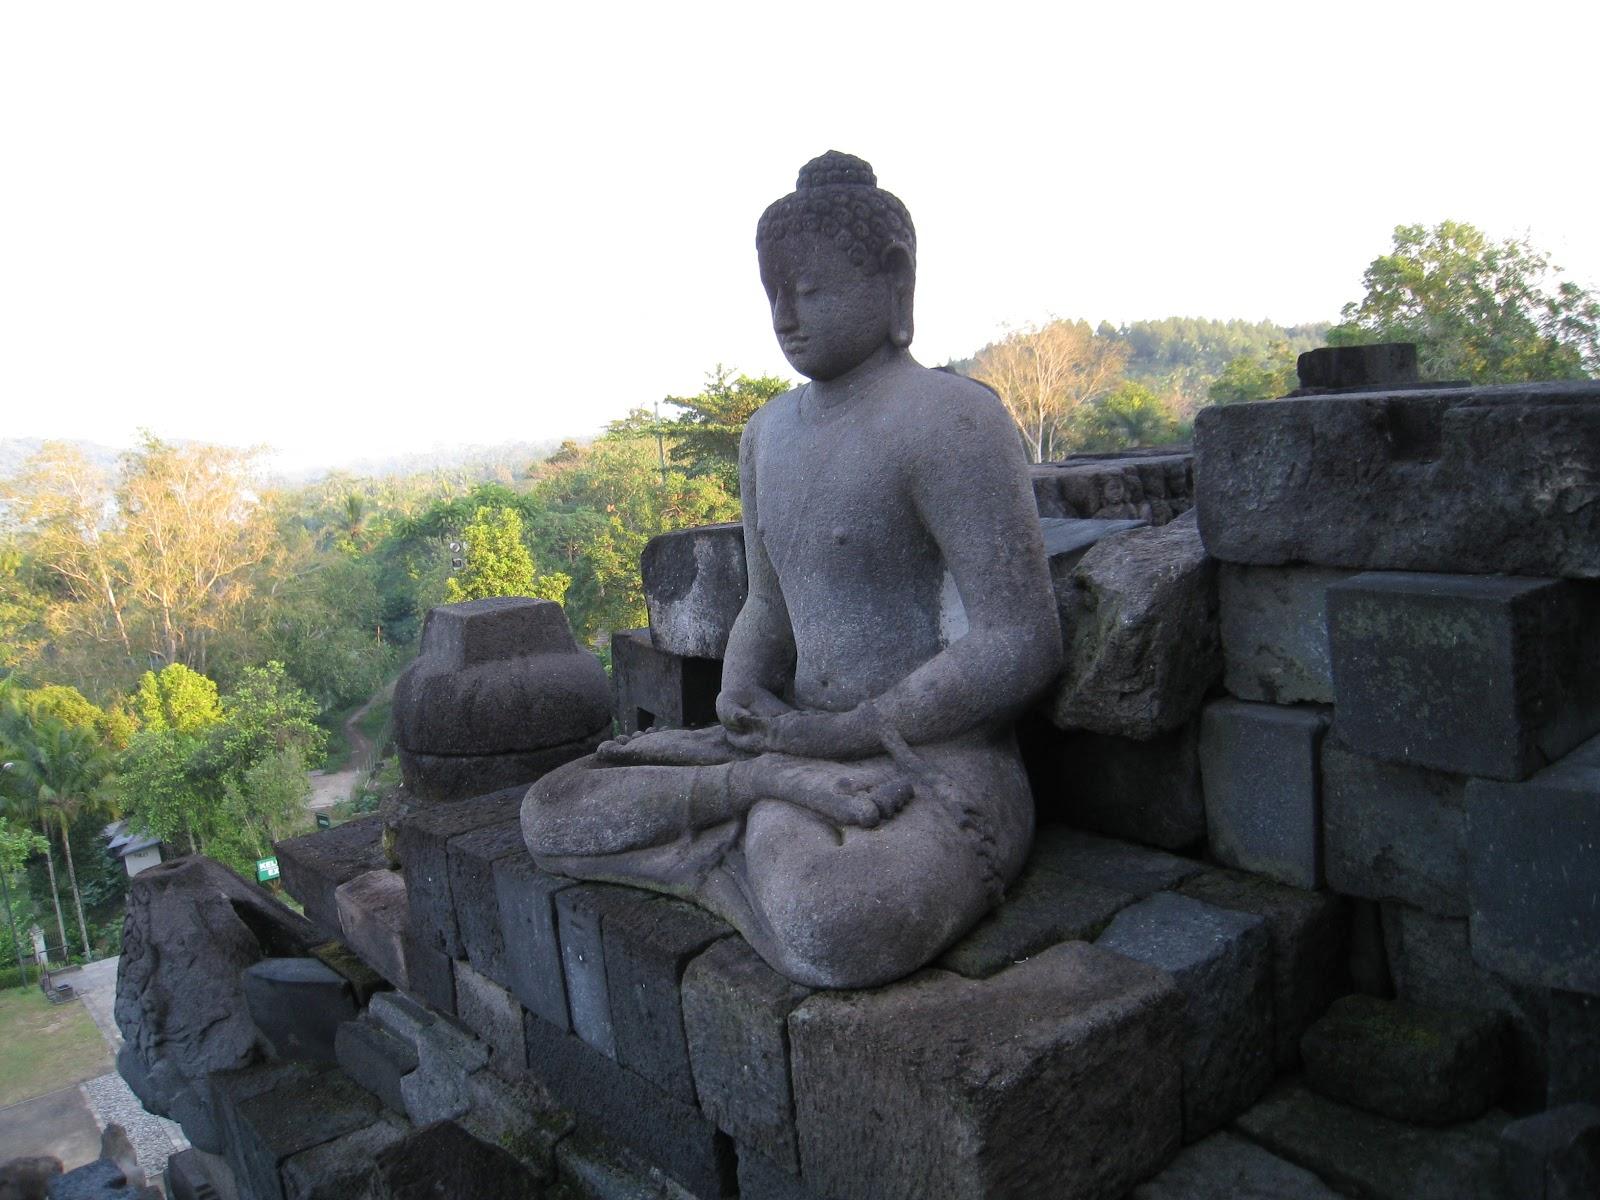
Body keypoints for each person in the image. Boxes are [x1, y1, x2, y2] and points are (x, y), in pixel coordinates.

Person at [522, 152, 1062, 988]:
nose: (783, 315)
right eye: (771, 290)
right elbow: (768, 606)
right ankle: (761, 797)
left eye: (809, 291)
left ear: (895, 281)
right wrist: (743, 697)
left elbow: (1020, 639)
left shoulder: (953, 421)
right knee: (549, 808)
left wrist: (855, 731)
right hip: (787, 748)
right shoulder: (767, 434)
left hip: (929, 760)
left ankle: (742, 834)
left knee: (837, 918)